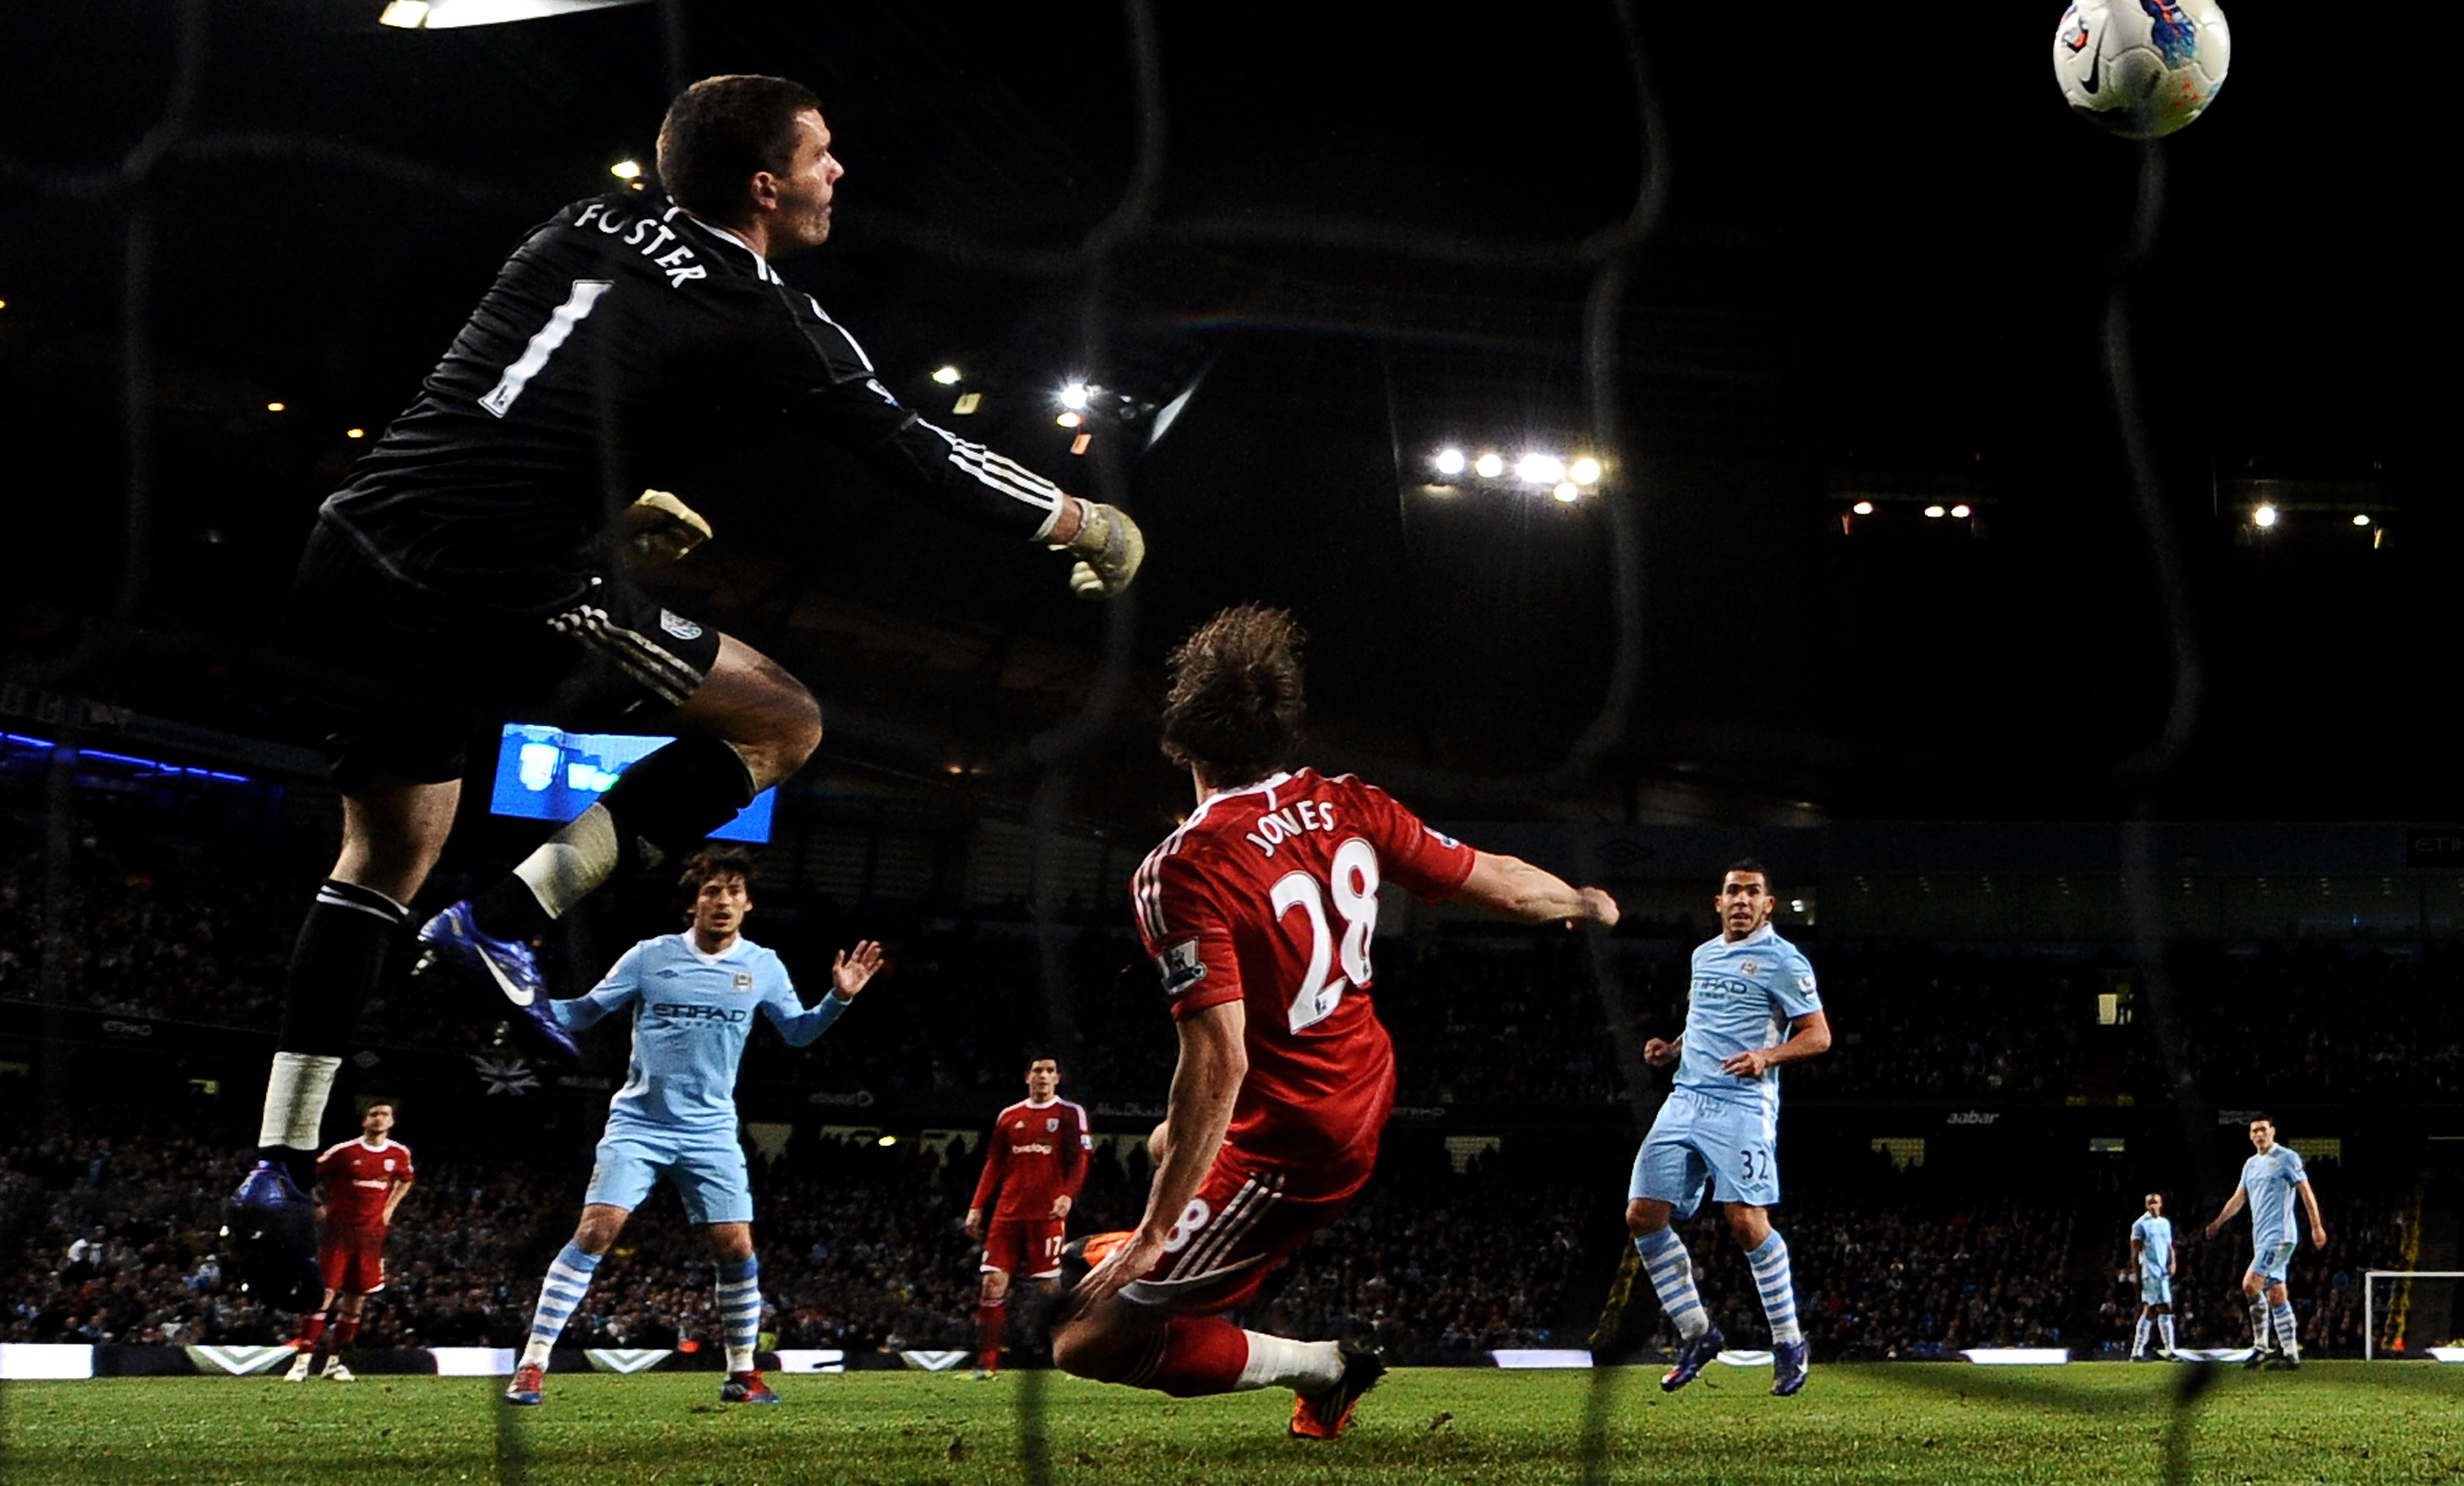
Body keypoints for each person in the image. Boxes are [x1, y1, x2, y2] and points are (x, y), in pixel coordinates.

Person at [230, 72, 1142, 1280]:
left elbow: (524, 395)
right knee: (781, 724)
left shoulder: (574, 221)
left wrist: (604, 515)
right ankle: (502, 920)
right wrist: (1084, 522)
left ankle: (275, 1167)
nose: (838, 174)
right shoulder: (768, 312)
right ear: (764, 185)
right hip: (486, 585)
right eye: (822, 157)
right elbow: (921, 456)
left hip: (351, 543)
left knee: (382, 851)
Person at [1054, 605, 1619, 1439]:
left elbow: (1220, 1063)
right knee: (1169, 1143)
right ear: (1285, 729)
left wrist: (1152, 1233)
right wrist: (1578, 900)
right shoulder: (1348, 802)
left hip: (1295, 1136)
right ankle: (1174, 1265)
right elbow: (1494, 878)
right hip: (1358, 1081)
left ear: (1180, 738)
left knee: (1081, 1340)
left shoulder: (1181, 868)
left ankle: (1323, 1365)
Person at [503, 844, 883, 1406]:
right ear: (694, 905)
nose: (722, 900)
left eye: (733, 891)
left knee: (736, 1248)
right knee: (596, 1231)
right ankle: (532, 1366)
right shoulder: (649, 956)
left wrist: (839, 1000)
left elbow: (799, 1032)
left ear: (748, 904)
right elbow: (585, 1012)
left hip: (710, 1132)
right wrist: (522, 1001)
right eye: (711, 891)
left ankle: (742, 1373)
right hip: (640, 1123)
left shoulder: (762, 965)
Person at [1625, 863, 1830, 1399]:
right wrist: (1672, 1049)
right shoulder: (1704, 955)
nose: (1742, 900)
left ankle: (1788, 1343)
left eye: (1753, 892)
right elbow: (1704, 1022)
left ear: (1769, 905)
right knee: (1642, 1214)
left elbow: (1818, 1036)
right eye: (1734, 891)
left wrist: (1767, 1055)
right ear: (1718, 903)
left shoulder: (1785, 961)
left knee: (1745, 1221)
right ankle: (1698, 1332)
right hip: (1686, 1097)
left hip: (1743, 1105)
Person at [963, 1056, 1091, 1376]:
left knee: (1049, 1289)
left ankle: (1069, 1356)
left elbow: (1081, 1160)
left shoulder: (1070, 1113)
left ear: (1058, 1078)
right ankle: (986, 1364)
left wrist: (1067, 1195)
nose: (1043, 1076)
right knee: (992, 1284)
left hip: (1046, 1213)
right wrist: (977, 1205)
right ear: (1027, 1077)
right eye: (1038, 1071)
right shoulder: (1010, 1116)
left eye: (1049, 1071)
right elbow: (994, 1163)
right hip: (1007, 1215)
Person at [286, 1101, 414, 1383]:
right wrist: (318, 1205)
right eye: (374, 1114)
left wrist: (390, 1207)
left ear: (392, 1122)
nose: (379, 1119)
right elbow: (305, 1174)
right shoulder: (344, 1152)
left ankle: (335, 1362)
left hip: (371, 1237)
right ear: (364, 1121)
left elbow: (405, 1179)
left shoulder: (399, 1153)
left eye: (385, 1115)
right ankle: (302, 1362)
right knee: (324, 1295)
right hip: (338, 1233)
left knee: (356, 1301)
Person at [2205, 1114, 2327, 1369]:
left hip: (2280, 1236)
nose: (2259, 1135)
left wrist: (2317, 1227)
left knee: (2250, 1285)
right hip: (2261, 1238)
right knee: (2275, 1293)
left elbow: (2306, 1192)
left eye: (2263, 1130)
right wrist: (2218, 1222)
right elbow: (2239, 1198)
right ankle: (2291, 1354)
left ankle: (2260, 1346)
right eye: (2254, 1131)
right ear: (2250, 1136)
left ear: (2272, 1131)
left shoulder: (2287, 1158)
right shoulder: (2251, 1165)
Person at [2128, 1190, 2177, 1360]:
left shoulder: (2165, 1223)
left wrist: (2173, 1262)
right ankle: (2170, 1350)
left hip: (2163, 1272)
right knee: (2165, 1308)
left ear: (2161, 1204)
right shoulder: (2140, 1225)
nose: (2154, 1206)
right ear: (2146, 1205)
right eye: (2151, 1203)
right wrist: (2137, 1275)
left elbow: (2169, 1246)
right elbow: (2135, 1253)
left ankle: (2137, 1352)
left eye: (2156, 1202)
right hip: (2150, 1273)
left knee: (2150, 1311)